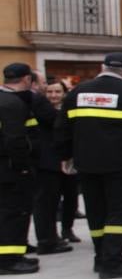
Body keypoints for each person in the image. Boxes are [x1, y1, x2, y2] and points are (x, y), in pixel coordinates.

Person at [55, 53, 122, 279]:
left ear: (102, 67)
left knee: (96, 212)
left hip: (86, 163)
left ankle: (101, 257)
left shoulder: (78, 92)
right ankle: (112, 262)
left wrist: (65, 156)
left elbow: (62, 128)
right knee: (120, 211)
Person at [0, 63, 41, 274]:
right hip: (10, 169)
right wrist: (23, 167)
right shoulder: (13, 104)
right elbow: (16, 140)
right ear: (27, 79)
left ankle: (13, 253)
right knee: (14, 212)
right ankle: (9, 260)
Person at [32, 79, 78, 253]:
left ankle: (66, 230)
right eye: (50, 92)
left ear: (64, 94)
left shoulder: (70, 110)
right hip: (48, 163)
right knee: (47, 203)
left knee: (71, 198)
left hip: (68, 160)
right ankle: (47, 239)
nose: (53, 95)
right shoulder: (41, 109)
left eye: (57, 92)